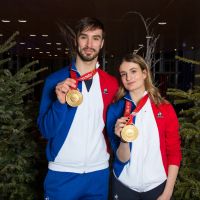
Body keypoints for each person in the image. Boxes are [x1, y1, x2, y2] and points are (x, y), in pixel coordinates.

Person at [37, 17, 118, 200]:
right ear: (76, 41)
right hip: (62, 175)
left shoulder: (111, 84)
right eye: (84, 37)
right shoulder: (55, 81)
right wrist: (60, 103)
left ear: (102, 43)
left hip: (98, 174)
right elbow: (46, 130)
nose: (89, 44)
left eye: (96, 38)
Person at [106, 54, 182, 200]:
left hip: (158, 185)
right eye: (124, 74)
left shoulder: (164, 108)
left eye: (133, 71)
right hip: (124, 184)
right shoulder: (115, 110)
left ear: (144, 73)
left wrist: (167, 193)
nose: (129, 78)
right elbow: (121, 159)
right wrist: (123, 140)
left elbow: (174, 152)